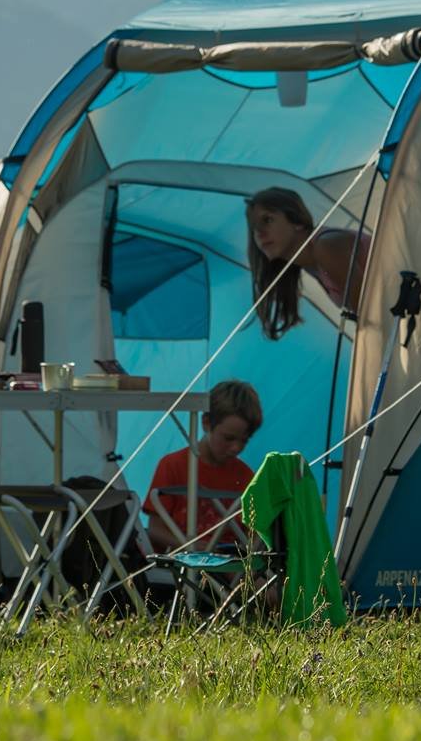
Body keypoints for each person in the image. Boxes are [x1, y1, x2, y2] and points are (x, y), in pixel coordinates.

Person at [144, 379, 262, 552]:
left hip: (230, 561)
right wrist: (188, 545)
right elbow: (155, 529)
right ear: (206, 422)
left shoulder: (246, 476)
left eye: (244, 441)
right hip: (182, 560)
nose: (236, 448)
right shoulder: (173, 466)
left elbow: (256, 533)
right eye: (228, 438)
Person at [246, 187, 371, 339]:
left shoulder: (326, 246)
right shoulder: (311, 264)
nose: (259, 232)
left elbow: (372, 315)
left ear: (297, 221)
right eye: (254, 227)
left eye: (267, 220)